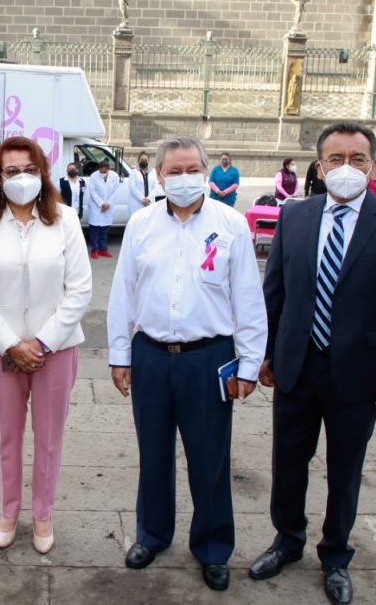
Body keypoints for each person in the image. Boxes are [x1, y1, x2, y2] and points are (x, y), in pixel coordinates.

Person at [249, 123, 376, 605]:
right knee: (288, 462)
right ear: (319, 166)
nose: (346, 167)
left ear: (373, 167)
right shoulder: (296, 217)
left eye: (357, 158)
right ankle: (286, 541)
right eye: (336, 158)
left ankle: (335, 555)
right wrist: (265, 353)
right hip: (297, 365)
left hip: (361, 374)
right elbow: (276, 293)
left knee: (345, 468)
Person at [108, 136, 267, 591]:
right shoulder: (140, 224)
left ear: (207, 171)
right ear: (159, 176)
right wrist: (121, 354)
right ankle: (153, 534)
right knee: (153, 453)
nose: (183, 178)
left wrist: (250, 365)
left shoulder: (231, 224)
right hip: (152, 357)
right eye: (174, 171)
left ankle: (214, 547)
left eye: (191, 168)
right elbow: (124, 293)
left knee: (209, 459)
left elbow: (249, 301)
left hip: (209, 359)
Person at [0, 136, 92, 555]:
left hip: (57, 349)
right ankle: (9, 509)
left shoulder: (65, 220)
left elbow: (81, 289)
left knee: (49, 438)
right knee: (7, 436)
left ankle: (43, 512)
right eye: (12, 171)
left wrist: (44, 341)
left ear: (43, 173)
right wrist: (9, 344)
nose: (21, 177)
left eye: (29, 169)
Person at [86, 158, 117, 258]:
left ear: (108, 169)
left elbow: (115, 191)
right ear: (99, 168)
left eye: (105, 170)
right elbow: (92, 191)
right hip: (96, 206)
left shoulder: (114, 176)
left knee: (104, 229)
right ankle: (95, 250)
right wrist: (101, 204)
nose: (103, 172)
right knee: (95, 229)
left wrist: (107, 204)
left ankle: (103, 249)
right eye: (101, 170)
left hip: (108, 206)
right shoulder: (94, 176)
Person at [127, 152, 159, 216]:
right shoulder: (134, 172)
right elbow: (132, 187)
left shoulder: (153, 172)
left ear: (148, 161)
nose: (143, 161)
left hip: (149, 202)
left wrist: (149, 199)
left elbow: (156, 186)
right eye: (142, 160)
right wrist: (142, 199)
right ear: (138, 160)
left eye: (145, 160)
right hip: (137, 203)